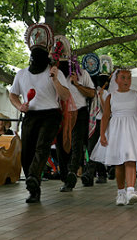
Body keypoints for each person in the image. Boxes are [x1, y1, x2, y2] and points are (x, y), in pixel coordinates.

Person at [9, 23, 70, 203]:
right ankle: (33, 188)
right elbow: (13, 95)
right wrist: (20, 106)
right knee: (26, 152)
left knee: (42, 147)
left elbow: (65, 96)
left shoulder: (54, 72)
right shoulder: (21, 74)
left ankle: (34, 177)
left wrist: (55, 79)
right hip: (31, 115)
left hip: (51, 114)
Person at [91, 69, 137, 205]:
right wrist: (102, 134)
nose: (126, 81)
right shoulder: (111, 96)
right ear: (116, 80)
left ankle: (130, 190)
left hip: (133, 130)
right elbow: (105, 117)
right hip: (116, 130)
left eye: (129, 78)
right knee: (119, 162)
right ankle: (121, 192)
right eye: (123, 78)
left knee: (130, 159)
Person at [53, 36, 96, 192]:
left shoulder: (82, 73)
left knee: (77, 145)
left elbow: (92, 93)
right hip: (60, 113)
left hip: (80, 112)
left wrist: (77, 84)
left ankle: (72, 173)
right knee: (60, 147)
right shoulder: (54, 74)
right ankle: (65, 175)